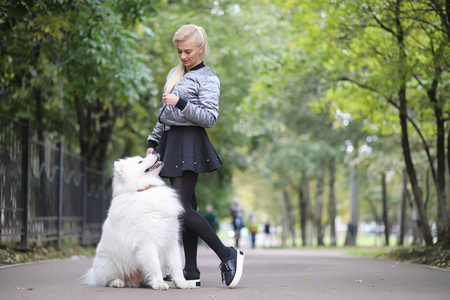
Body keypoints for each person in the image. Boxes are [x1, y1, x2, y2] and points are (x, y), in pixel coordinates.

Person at [146, 24, 244, 289]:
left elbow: (209, 118)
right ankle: (190, 270)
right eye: (179, 51)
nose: (183, 56)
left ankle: (227, 255)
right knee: (186, 207)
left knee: (179, 208)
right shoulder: (174, 73)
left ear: (201, 48)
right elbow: (163, 114)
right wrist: (153, 141)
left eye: (188, 51)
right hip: (170, 142)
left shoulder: (208, 78)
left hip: (190, 143)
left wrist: (181, 102)